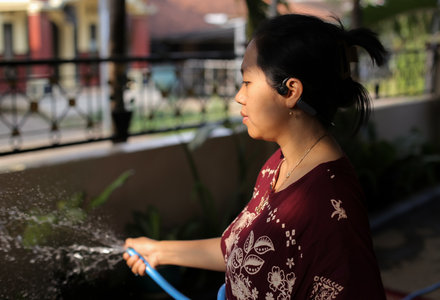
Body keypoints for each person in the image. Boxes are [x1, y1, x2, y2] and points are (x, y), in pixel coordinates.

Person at [123, 13, 388, 299]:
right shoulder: (279, 166)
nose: (239, 96)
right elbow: (241, 249)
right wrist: (160, 251)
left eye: (247, 82)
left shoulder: (329, 204)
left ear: (291, 91)